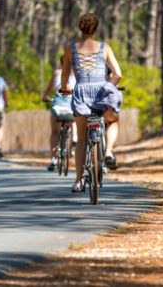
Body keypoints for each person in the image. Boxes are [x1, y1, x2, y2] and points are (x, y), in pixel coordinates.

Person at [60, 13, 123, 193]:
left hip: (80, 93)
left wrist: (65, 88)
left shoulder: (70, 48)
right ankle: (109, 150)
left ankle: (78, 181)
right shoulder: (105, 47)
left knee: (81, 139)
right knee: (113, 120)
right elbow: (118, 74)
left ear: (80, 28)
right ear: (96, 29)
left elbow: (65, 75)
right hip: (101, 92)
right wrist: (107, 87)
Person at [42, 55, 77, 171]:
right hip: (72, 105)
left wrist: (45, 97)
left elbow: (49, 89)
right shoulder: (78, 74)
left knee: (55, 133)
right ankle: (75, 137)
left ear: (62, 62)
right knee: (76, 117)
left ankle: (53, 159)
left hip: (58, 104)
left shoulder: (57, 73)